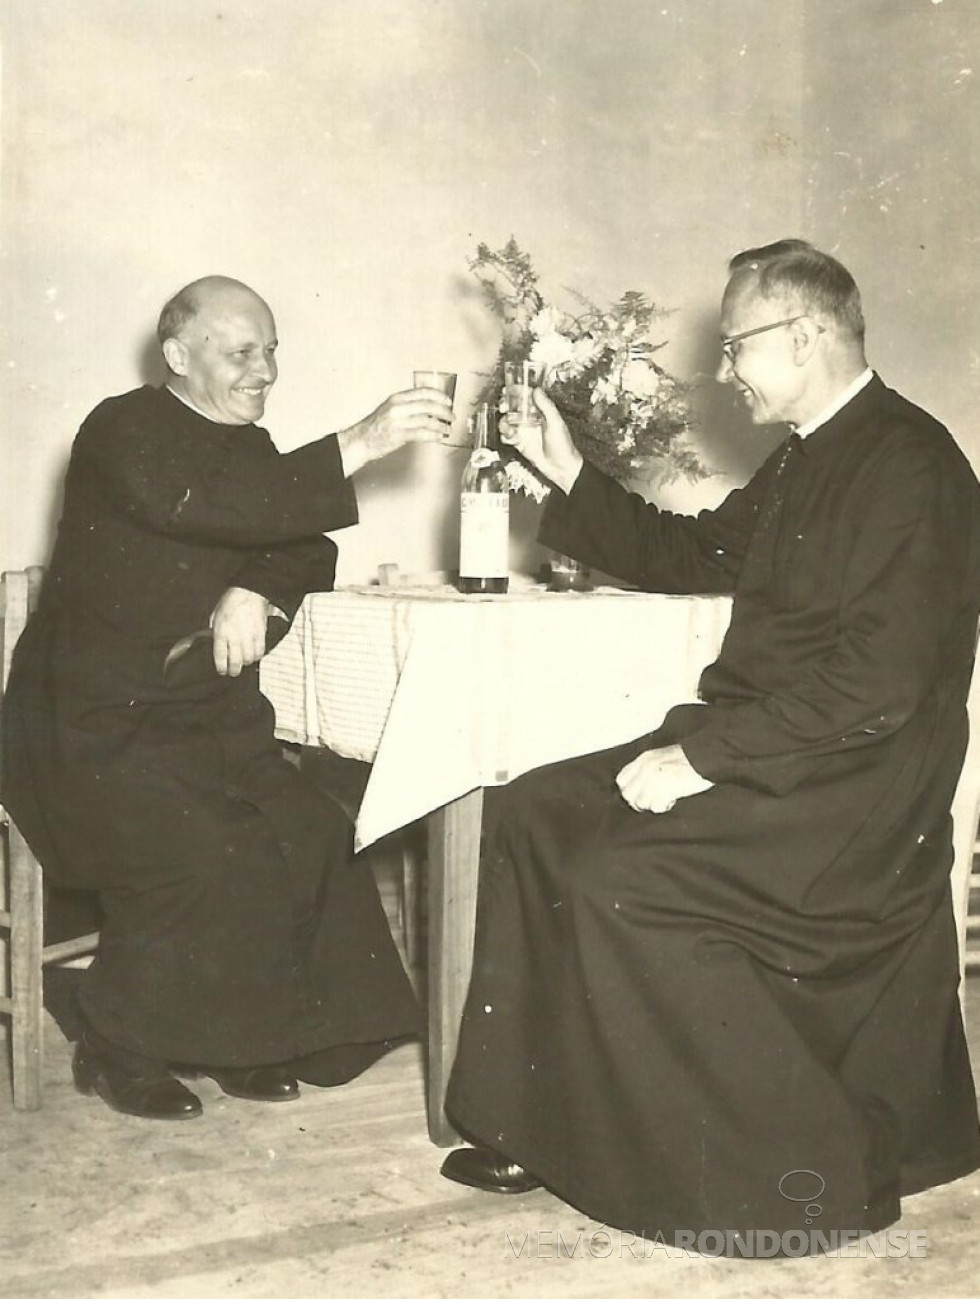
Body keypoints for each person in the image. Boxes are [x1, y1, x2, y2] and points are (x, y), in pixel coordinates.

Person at [440, 241, 980, 1246]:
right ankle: (538, 1125)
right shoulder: (807, 455)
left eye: (737, 347)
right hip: (774, 746)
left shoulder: (913, 465)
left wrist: (700, 761)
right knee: (532, 808)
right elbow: (692, 554)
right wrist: (568, 470)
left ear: (808, 334)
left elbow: (879, 685)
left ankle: (785, 1187)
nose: (724, 371)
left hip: (850, 782)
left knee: (618, 877)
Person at [1, 275, 453, 1119]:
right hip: (91, 725)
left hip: (199, 719)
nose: (265, 369)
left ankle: (252, 1036)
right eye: (242, 351)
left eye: (273, 349)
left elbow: (303, 542)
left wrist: (255, 588)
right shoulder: (120, 428)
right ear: (177, 355)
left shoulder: (252, 449)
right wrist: (362, 438)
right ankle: (116, 1045)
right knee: (208, 841)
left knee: (311, 825)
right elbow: (206, 502)